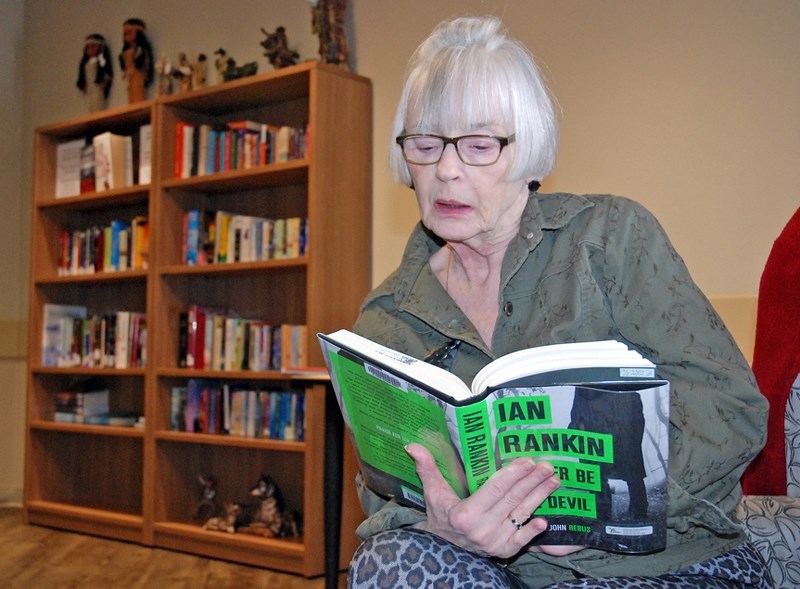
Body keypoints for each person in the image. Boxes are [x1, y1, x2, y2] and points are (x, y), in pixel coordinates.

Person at [349, 15, 772, 589]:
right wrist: (443, 524)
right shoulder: (386, 317)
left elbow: (728, 406)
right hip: (500, 570)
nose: (446, 170)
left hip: (661, 560)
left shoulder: (612, 238)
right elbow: (383, 480)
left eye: (479, 145)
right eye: (425, 145)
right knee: (388, 561)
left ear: (528, 155)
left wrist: (612, 505)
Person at [118, 18, 154, 103]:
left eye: (130, 32)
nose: (128, 36)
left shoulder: (140, 49)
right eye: (125, 34)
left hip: (138, 74)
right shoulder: (126, 51)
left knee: (137, 90)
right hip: (129, 75)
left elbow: (144, 63)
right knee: (130, 91)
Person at [76, 33, 113, 113]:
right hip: (90, 87)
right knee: (90, 104)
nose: (90, 49)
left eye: (93, 46)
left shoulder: (101, 60)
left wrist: (105, 80)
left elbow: (106, 71)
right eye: (88, 47)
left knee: (97, 103)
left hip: (97, 86)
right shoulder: (85, 63)